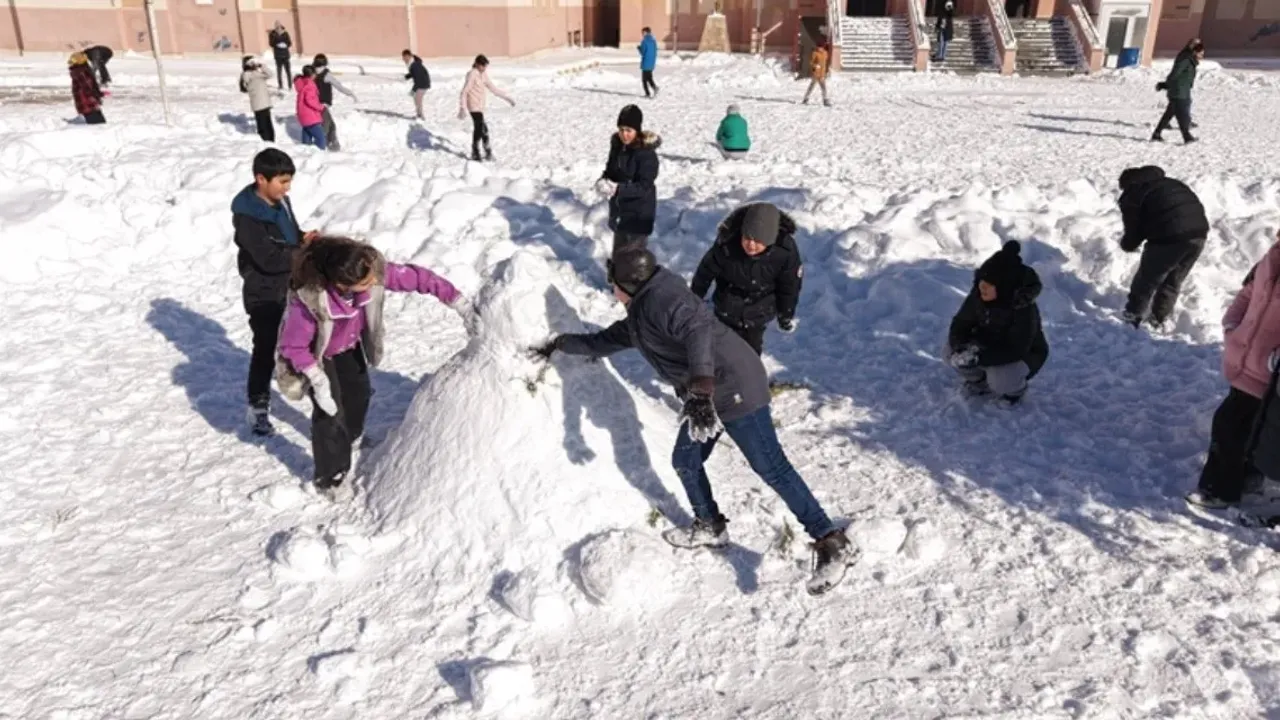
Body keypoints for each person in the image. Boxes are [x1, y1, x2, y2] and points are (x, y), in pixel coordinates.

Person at [530, 247, 855, 596]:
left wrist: (700, 391)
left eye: (615, 284)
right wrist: (559, 344)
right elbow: (601, 342)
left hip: (734, 385)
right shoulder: (640, 314)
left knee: (771, 466)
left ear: (628, 283)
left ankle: (831, 541)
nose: (612, 290)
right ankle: (710, 525)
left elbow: (698, 331)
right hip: (708, 395)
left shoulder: (666, 299)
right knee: (685, 460)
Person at [275, 236, 469, 501]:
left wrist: (455, 299)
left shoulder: (368, 269)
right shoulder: (310, 301)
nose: (375, 281)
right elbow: (292, 346)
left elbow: (416, 277)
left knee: (359, 393)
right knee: (330, 412)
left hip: (348, 345)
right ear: (342, 284)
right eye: (366, 283)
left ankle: (350, 437)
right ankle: (330, 477)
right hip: (318, 355)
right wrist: (317, 381)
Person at [1189, 232, 1280, 509]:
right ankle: (1247, 479)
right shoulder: (1274, 254)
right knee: (1251, 428)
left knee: (1229, 424)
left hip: (1270, 369)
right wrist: (1232, 322)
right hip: (1248, 356)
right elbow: (1250, 291)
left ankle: (1219, 490)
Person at [231, 148, 318, 436]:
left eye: (289, 181)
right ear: (261, 179)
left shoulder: (282, 202)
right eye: (282, 181)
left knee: (306, 342)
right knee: (266, 347)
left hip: (291, 286)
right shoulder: (248, 217)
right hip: (264, 293)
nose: (287, 188)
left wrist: (303, 238)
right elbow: (268, 259)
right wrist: (302, 255)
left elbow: (288, 236)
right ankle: (257, 406)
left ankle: (323, 404)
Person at [690, 202, 801, 356]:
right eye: (747, 238)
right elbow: (705, 272)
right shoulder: (727, 245)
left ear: (770, 240)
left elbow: (789, 285)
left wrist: (786, 315)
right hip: (727, 305)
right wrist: (693, 300)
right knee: (722, 350)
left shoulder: (784, 252)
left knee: (750, 353)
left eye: (758, 241)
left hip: (760, 308)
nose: (751, 245)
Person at [946, 241, 1049, 404]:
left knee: (1000, 379)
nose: (982, 287)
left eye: (989, 284)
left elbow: (1017, 348)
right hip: (986, 346)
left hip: (1023, 355)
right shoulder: (978, 297)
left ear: (1003, 287)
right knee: (949, 351)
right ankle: (979, 381)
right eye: (982, 281)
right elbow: (961, 323)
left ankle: (1015, 390)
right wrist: (960, 347)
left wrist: (979, 359)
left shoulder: (1023, 308)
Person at [1116, 165, 1209, 331]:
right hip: (1199, 234)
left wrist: (1127, 245)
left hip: (1169, 236)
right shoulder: (1171, 183)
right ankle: (1158, 319)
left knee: (1147, 279)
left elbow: (1133, 229)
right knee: (1173, 280)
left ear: (1127, 184)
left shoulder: (1134, 193)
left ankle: (1132, 315)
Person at [597, 104, 660, 274]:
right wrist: (603, 181)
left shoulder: (646, 153)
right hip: (620, 211)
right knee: (618, 255)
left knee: (632, 261)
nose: (624, 134)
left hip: (639, 214)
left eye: (629, 130)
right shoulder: (618, 147)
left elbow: (645, 186)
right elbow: (611, 171)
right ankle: (616, 284)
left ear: (637, 130)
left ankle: (632, 288)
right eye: (621, 129)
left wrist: (618, 189)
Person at [457, 54, 515, 162]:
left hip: (480, 106)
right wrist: (462, 108)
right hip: (473, 105)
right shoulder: (472, 74)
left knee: (484, 129)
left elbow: (493, 88)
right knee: (479, 128)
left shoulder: (483, 75)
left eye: (485, 66)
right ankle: (475, 152)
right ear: (477, 64)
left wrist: (507, 98)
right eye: (482, 65)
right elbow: (464, 92)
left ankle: (487, 151)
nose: (484, 68)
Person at [1152, 42, 1201, 144]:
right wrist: (1166, 84)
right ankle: (1187, 136)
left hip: (1182, 90)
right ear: (1194, 51)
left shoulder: (1189, 60)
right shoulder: (1185, 59)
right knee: (1181, 114)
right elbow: (1175, 73)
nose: (1202, 56)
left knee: (1170, 113)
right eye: (1201, 53)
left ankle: (1157, 134)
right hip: (1179, 91)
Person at [312, 54, 358, 151]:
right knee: (328, 126)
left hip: (314, 104)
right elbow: (339, 87)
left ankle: (330, 144)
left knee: (330, 125)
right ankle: (323, 146)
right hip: (322, 105)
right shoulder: (326, 75)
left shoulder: (312, 73)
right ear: (325, 63)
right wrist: (351, 93)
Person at [240, 55, 275, 142]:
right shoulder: (247, 74)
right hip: (258, 104)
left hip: (265, 103)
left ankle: (271, 140)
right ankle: (266, 141)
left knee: (268, 124)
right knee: (262, 125)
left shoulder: (257, 74)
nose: (255, 64)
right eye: (252, 62)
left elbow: (270, 74)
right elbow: (246, 81)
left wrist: (261, 66)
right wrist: (252, 66)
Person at [294, 66, 327, 150]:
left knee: (307, 135)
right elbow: (309, 100)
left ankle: (305, 152)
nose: (316, 75)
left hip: (302, 115)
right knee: (321, 138)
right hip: (311, 116)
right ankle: (320, 154)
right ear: (312, 75)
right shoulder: (310, 85)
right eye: (315, 73)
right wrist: (320, 107)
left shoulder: (302, 83)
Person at [68, 52, 105, 125]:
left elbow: (88, 86)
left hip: (85, 103)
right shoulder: (82, 71)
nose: (70, 64)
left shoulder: (79, 71)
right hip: (88, 103)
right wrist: (97, 95)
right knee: (97, 124)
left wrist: (97, 95)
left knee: (96, 122)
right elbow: (88, 87)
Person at [1174, 38, 1201, 128]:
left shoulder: (1191, 55)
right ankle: (1186, 122)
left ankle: (1166, 122)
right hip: (1181, 83)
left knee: (1176, 104)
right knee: (1186, 103)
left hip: (1185, 83)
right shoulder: (1185, 55)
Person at [403, 50, 432, 120]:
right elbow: (414, 73)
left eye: (405, 57)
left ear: (409, 56)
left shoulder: (414, 65)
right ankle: (419, 115)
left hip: (422, 84)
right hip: (422, 83)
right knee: (416, 99)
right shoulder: (413, 63)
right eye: (403, 58)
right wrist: (406, 77)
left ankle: (421, 117)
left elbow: (418, 80)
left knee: (418, 100)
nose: (404, 59)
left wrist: (413, 90)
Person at [802, 41, 830, 106]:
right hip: (816, 74)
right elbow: (811, 62)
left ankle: (825, 100)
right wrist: (815, 65)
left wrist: (826, 71)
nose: (819, 48)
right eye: (818, 47)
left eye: (821, 47)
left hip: (822, 74)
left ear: (823, 47)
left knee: (824, 88)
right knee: (811, 87)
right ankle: (805, 99)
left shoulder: (825, 53)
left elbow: (825, 62)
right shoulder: (815, 53)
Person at [268, 22, 293, 91]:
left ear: (281, 26)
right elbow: (271, 43)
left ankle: (290, 85)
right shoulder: (272, 34)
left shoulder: (285, 33)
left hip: (285, 55)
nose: (278, 28)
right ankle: (280, 85)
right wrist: (277, 43)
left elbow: (289, 43)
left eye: (279, 26)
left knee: (288, 71)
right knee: (279, 71)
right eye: (276, 26)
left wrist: (285, 44)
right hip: (278, 55)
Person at [639, 27, 659, 98]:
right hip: (652, 62)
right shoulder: (653, 41)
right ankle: (653, 89)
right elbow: (655, 51)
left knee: (644, 79)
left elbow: (643, 52)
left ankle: (651, 91)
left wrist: (639, 48)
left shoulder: (644, 41)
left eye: (643, 32)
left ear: (646, 32)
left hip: (646, 62)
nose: (642, 34)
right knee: (649, 77)